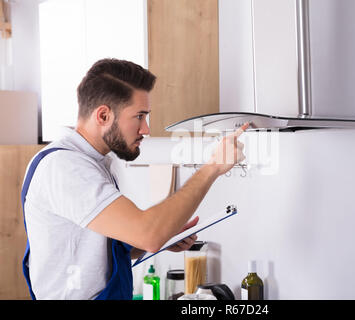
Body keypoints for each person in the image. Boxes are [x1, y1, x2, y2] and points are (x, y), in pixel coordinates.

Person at [21, 58, 249, 300]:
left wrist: (165, 237)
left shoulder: (94, 162)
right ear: (103, 115)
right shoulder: (66, 168)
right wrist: (213, 167)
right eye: (139, 116)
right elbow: (148, 234)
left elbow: (98, 251)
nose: (146, 129)